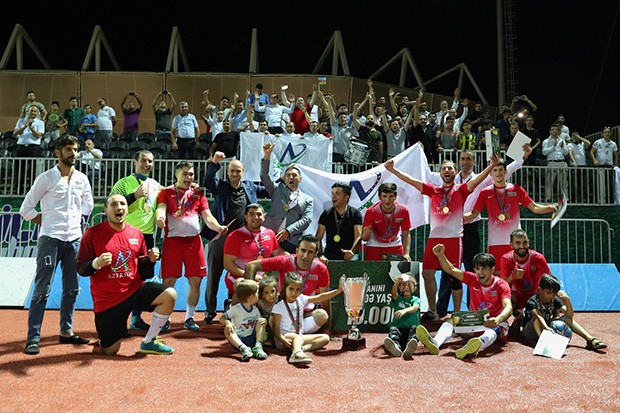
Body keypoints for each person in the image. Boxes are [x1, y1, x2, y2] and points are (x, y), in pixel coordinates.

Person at [386, 154, 499, 321]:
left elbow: (476, 181)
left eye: (450, 168)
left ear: (455, 172)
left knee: (455, 276)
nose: (447, 170)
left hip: (453, 239)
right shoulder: (433, 190)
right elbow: (412, 181)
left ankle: (457, 314)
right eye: (444, 168)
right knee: (427, 274)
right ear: (440, 173)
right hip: (434, 238)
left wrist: (491, 167)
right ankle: (432, 311)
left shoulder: (461, 190)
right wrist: (393, 170)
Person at [426, 148, 528, 317]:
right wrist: (420, 153)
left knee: (472, 269)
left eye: (469, 159)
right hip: (450, 230)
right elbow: (426, 174)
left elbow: (506, 170)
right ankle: (441, 308)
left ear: (475, 162)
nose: (465, 162)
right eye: (463, 159)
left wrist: (522, 156)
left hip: (470, 228)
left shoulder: (481, 179)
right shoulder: (449, 177)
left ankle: (472, 309)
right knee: (448, 269)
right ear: (459, 161)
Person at [20, 134, 94, 355]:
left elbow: (88, 204)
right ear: (58, 152)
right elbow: (26, 208)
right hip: (50, 239)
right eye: (69, 149)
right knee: (42, 290)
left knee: (72, 288)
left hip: (74, 239)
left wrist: (77, 222)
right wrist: (44, 220)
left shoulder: (82, 178)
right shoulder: (46, 178)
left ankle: (66, 332)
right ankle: (33, 338)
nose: (73, 153)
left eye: (75, 149)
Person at [76, 194, 177, 355]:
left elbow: (144, 272)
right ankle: (106, 338)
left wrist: (150, 260)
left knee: (169, 295)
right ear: (106, 210)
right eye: (114, 204)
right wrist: (96, 263)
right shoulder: (92, 234)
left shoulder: (136, 233)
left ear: (127, 209)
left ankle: (149, 341)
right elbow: (81, 268)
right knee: (110, 351)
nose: (119, 207)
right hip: (108, 301)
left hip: (134, 290)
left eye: (122, 204)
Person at [155, 160, 227, 332]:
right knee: (168, 282)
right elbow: (161, 208)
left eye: (191, 174)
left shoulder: (198, 195)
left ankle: (189, 317)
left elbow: (207, 217)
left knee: (196, 281)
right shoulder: (166, 192)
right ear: (176, 175)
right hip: (173, 242)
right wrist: (160, 217)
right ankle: (165, 319)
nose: (189, 177)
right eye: (185, 174)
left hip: (194, 243)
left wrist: (218, 227)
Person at [201, 152, 269, 324]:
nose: (234, 174)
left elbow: (269, 188)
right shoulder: (220, 186)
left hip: (242, 241)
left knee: (238, 275)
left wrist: (280, 178)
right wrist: (214, 162)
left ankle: (232, 305)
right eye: (232, 171)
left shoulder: (250, 186)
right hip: (220, 238)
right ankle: (210, 311)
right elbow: (207, 181)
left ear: (243, 172)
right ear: (227, 171)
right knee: (214, 275)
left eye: (238, 171)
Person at [416, 245, 512, 359]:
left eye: (484, 269)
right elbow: (451, 270)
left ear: (492, 269)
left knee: (494, 330)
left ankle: (476, 345)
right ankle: (435, 343)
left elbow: (508, 307)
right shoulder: (472, 279)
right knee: (451, 320)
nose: (480, 272)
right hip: (475, 322)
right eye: (477, 269)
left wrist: (498, 319)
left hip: (495, 323)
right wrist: (440, 255)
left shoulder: (501, 285)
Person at [465, 159, 557, 267]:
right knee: (497, 273)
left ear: (505, 172)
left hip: (515, 242)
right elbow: (473, 214)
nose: (498, 173)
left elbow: (534, 207)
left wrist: (552, 207)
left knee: (517, 272)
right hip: (495, 242)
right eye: (495, 170)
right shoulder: (485, 192)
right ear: (490, 173)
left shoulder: (517, 189)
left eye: (501, 170)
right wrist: (455, 216)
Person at [109, 150, 161, 331]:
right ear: (135, 162)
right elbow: (112, 204)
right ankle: (118, 319)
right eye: (144, 160)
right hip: (126, 236)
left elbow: (170, 194)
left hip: (147, 237)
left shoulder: (155, 185)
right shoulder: (123, 183)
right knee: (123, 277)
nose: (147, 164)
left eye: (150, 161)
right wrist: (133, 196)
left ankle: (136, 318)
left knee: (142, 278)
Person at [244, 235, 332, 335]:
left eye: (310, 252)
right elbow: (251, 266)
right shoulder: (285, 261)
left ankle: (292, 335)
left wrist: (328, 329)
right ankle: (293, 336)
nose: (305, 256)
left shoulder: (321, 269)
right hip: (281, 311)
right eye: (303, 250)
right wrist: (251, 294)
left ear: (316, 254)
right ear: (297, 250)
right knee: (260, 293)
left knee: (322, 316)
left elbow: (325, 300)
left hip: (304, 313)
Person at [271, 272, 343, 364]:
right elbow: (276, 330)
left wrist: (338, 291)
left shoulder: (301, 299)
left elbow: (320, 297)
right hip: (285, 339)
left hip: (299, 337)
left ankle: (301, 349)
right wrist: (283, 340)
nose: (294, 292)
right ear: (285, 288)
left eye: (297, 289)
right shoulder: (278, 306)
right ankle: (296, 354)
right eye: (291, 289)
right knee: (296, 337)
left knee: (325, 338)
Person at [521, 273, 607, 351]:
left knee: (566, 318)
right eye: (548, 293)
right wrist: (546, 328)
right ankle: (543, 342)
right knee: (537, 319)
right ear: (540, 289)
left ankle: (590, 339)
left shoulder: (554, 299)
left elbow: (570, 314)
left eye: (554, 294)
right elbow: (538, 317)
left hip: (545, 327)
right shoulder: (532, 301)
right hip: (530, 330)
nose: (552, 296)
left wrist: (567, 300)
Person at [223, 203, 286, 308]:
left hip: (261, 277)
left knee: (274, 289)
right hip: (238, 276)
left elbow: (279, 253)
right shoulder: (235, 235)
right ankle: (232, 310)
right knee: (246, 288)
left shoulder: (270, 234)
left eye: (259, 214)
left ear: (264, 217)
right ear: (246, 217)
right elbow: (228, 264)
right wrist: (251, 276)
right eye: (251, 214)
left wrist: (295, 258)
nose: (255, 217)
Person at [261, 142, 313, 254]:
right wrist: (267, 156)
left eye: (294, 175)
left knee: (289, 265)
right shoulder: (276, 190)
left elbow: (306, 220)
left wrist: (289, 231)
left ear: (300, 179)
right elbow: (264, 176)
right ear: (284, 178)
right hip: (270, 235)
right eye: (288, 175)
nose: (291, 177)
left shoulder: (308, 199)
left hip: (291, 240)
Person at [499, 229, 551, 314]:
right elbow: (503, 286)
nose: (522, 246)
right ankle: (514, 316)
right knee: (502, 295)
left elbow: (549, 280)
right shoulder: (506, 259)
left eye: (525, 242)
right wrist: (512, 277)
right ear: (511, 245)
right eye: (518, 243)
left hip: (535, 294)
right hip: (516, 296)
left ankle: (551, 315)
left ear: (528, 243)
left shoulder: (538, 258)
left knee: (552, 292)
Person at [219, 279, 268, 361]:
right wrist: (228, 323)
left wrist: (264, 321)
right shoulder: (236, 309)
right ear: (251, 297)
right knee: (227, 331)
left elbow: (258, 324)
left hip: (252, 338)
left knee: (261, 322)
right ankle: (243, 348)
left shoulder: (255, 310)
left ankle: (258, 346)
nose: (259, 295)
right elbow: (222, 318)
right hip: (238, 339)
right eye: (257, 293)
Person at [361, 182, 411, 261]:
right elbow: (364, 238)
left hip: (395, 245)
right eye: (384, 196)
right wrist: (365, 235)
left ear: (395, 196)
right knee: (373, 269)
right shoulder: (371, 211)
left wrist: (407, 254)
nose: (387, 200)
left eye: (390, 196)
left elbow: (406, 234)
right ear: (379, 197)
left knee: (399, 269)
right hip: (374, 246)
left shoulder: (403, 211)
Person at [315, 182, 363, 263]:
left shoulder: (355, 214)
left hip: (350, 255)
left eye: (337, 194)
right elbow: (318, 237)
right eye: (332, 194)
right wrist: (321, 255)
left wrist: (352, 251)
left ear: (346, 197)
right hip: (329, 255)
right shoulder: (326, 214)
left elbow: (358, 237)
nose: (333, 197)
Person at [383, 275, 421, 358]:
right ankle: (395, 347)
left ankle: (410, 347)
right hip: (399, 329)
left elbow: (415, 308)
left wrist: (404, 311)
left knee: (415, 329)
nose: (406, 287)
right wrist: (396, 283)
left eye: (409, 285)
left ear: (415, 288)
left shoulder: (415, 299)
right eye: (403, 285)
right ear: (399, 288)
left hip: (410, 330)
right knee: (393, 329)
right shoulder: (398, 299)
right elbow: (393, 293)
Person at [590, 126, 618, 204]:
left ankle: (610, 201)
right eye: (605, 132)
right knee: (597, 183)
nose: (607, 133)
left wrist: (615, 164)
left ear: (611, 133)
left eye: (608, 132)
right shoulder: (597, 142)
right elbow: (591, 151)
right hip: (599, 165)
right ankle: (597, 200)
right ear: (602, 134)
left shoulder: (613, 144)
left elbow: (616, 155)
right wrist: (594, 160)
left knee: (610, 184)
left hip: (609, 166)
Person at [541, 123, 568, 202]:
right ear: (550, 131)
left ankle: (565, 199)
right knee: (549, 182)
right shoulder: (546, 141)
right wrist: (553, 146)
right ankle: (548, 198)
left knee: (564, 183)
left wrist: (563, 147)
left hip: (562, 162)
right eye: (553, 130)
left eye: (556, 129)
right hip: (552, 163)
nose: (555, 131)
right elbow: (544, 152)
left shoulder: (562, 141)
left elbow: (566, 153)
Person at [257, 276, 279, 345]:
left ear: (277, 290)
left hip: (275, 324)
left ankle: (273, 339)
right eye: (266, 293)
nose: (271, 295)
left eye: (272, 291)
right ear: (262, 295)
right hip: (265, 324)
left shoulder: (278, 300)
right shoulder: (260, 302)